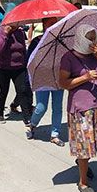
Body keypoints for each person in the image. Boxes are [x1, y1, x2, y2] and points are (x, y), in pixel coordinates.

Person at [58, 24, 97, 192]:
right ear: (80, 38)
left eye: (93, 37)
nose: (92, 41)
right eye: (88, 37)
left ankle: (83, 164)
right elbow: (64, 83)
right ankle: (83, 182)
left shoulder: (94, 55)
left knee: (91, 143)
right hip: (81, 108)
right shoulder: (68, 57)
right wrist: (85, 77)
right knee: (85, 146)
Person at [28, 17, 64, 145]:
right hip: (42, 77)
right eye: (51, 23)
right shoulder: (37, 41)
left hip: (58, 77)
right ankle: (32, 124)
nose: (54, 26)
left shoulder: (62, 41)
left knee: (57, 107)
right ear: (43, 25)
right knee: (41, 107)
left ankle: (55, 134)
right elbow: (29, 61)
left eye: (56, 23)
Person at [0, 22, 33, 124]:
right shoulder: (0, 32)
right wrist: (6, 34)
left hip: (18, 66)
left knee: (22, 90)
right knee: (4, 90)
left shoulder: (19, 32)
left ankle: (26, 117)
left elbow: (23, 48)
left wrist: (26, 62)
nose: (18, 24)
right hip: (2, 67)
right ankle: (0, 113)